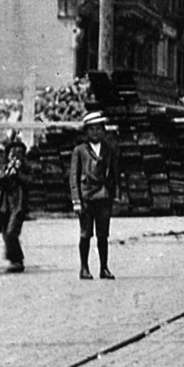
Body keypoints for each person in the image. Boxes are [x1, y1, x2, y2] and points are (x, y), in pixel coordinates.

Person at [69, 110, 119, 280]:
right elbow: (73, 177)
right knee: (85, 233)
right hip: (86, 198)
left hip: (104, 197)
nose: (96, 132)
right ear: (86, 132)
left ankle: (104, 268)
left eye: (99, 129)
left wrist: (115, 193)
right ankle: (84, 268)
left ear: (103, 130)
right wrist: (76, 200)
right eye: (92, 129)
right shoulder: (80, 150)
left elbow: (114, 172)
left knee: (103, 234)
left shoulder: (109, 148)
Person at [0, 133, 31, 272]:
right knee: (5, 232)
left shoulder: (25, 168)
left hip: (17, 204)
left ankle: (18, 260)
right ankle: (13, 259)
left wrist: (18, 173)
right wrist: (7, 172)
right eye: (12, 152)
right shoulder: (4, 167)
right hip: (4, 204)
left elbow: (28, 181)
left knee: (11, 232)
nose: (14, 155)